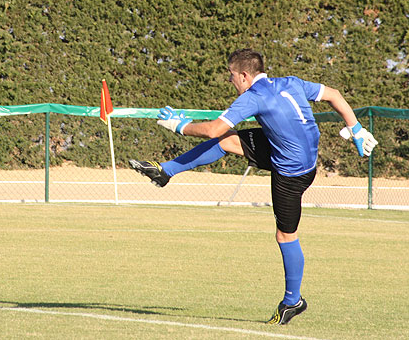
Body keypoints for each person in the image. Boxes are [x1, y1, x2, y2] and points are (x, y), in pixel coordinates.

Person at [129, 48, 378, 325]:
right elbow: (334, 94)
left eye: (232, 75)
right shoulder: (290, 82)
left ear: (245, 75)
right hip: (296, 154)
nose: (231, 81)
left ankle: (293, 301)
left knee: (286, 236)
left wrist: (180, 126)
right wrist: (355, 128)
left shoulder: (254, 97)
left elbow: (212, 129)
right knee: (227, 141)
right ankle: (165, 171)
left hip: (291, 174)